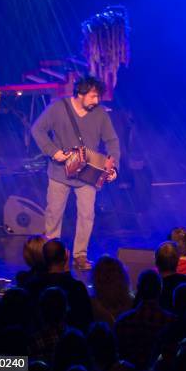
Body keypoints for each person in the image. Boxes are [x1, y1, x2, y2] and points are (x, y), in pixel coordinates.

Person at [31, 76, 120, 270]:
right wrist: (52, 150)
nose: (96, 101)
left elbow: (112, 141)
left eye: (98, 97)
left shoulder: (101, 114)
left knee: (87, 215)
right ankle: (52, 255)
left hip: (87, 174)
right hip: (59, 172)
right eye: (93, 96)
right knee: (54, 214)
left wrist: (113, 166)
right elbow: (37, 129)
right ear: (80, 93)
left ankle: (80, 255)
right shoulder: (57, 108)